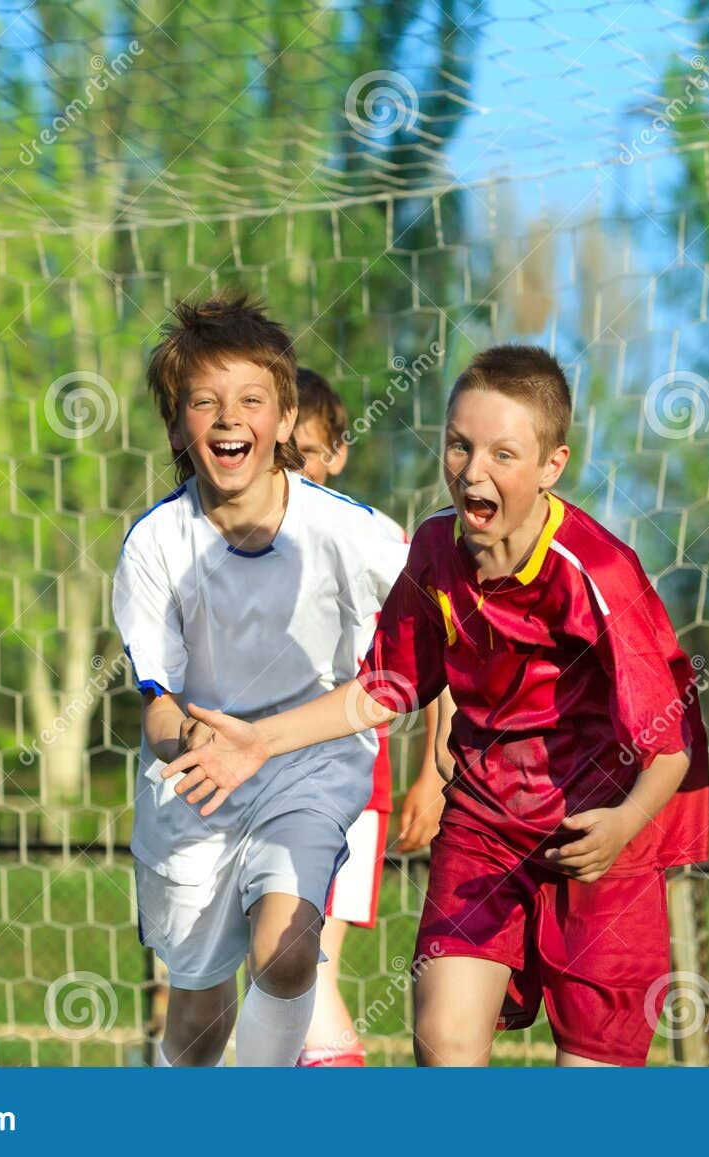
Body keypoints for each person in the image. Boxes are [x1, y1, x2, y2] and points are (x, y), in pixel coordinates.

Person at [160, 344, 709, 1066]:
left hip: (601, 837)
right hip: (485, 830)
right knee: (444, 1044)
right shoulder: (434, 549)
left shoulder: (595, 570)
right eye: (459, 444)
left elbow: (671, 742)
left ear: (553, 466)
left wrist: (624, 823)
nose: (473, 470)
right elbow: (380, 687)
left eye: (502, 454)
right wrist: (260, 740)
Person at [111, 293, 409, 1066]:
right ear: (179, 426)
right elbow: (158, 706)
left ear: (283, 417)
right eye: (203, 402)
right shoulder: (153, 546)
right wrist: (194, 736)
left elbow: (429, 643)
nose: (227, 417)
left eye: (251, 398)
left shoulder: (354, 533)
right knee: (198, 1017)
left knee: (288, 951)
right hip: (196, 786)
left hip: (306, 770)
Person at [290, 366, 445, 1067]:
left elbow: (439, 651)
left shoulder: (372, 536)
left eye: (306, 452)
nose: (291, 468)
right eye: (277, 452)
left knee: (302, 967)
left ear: (338, 452)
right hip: (256, 778)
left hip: (347, 783)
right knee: (278, 977)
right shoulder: (232, 533)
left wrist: (434, 772)